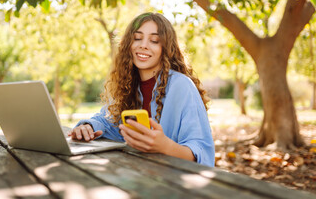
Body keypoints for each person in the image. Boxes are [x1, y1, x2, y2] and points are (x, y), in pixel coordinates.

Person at [69, 12, 215, 167]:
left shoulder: (181, 86)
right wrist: (88, 127)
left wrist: (164, 146)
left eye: (154, 40)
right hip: (139, 174)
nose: (143, 45)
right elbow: (107, 122)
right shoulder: (128, 85)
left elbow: (202, 153)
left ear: (165, 49)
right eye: (137, 38)